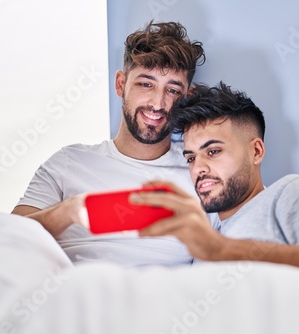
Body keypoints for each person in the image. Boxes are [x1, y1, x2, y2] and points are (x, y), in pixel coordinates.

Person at [130, 82, 299, 297]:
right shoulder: (204, 244)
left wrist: (220, 250)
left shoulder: (290, 192)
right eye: (191, 158)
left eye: (213, 151)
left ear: (256, 151)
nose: (199, 168)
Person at [11, 21, 207, 267]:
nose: (157, 103)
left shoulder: (201, 172)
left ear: (187, 98)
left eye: (173, 91)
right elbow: (8, 238)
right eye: (146, 84)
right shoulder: (69, 162)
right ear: (120, 84)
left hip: (163, 299)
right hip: (78, 295)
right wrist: (71, 211)